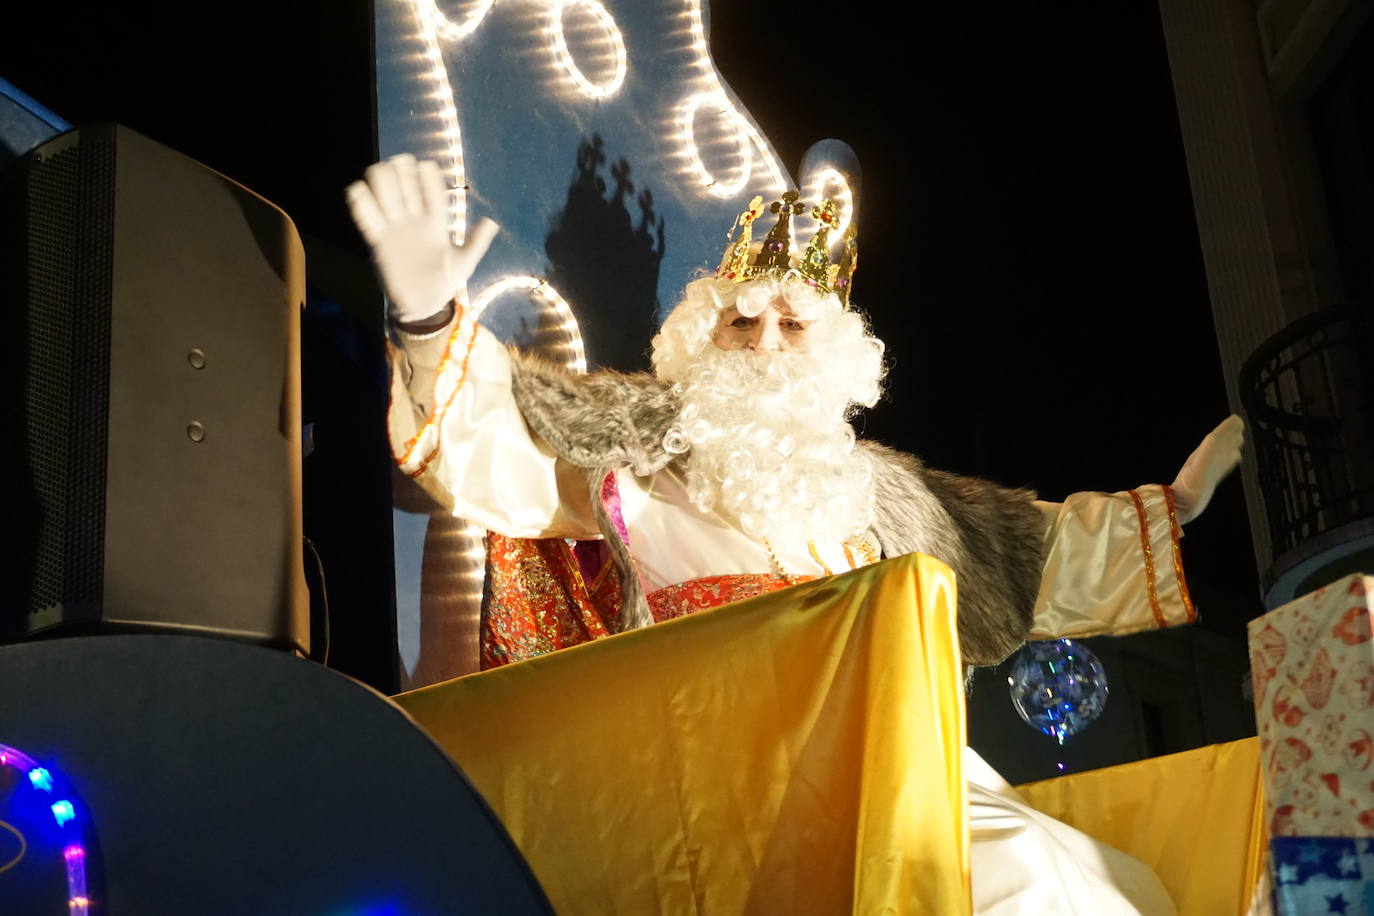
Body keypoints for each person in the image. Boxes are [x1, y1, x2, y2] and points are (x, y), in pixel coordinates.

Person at [348, 154, 1244, 913]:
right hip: (727, 756)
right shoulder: (636, 450)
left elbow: (1030, 554)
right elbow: (498, 445)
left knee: (1082, 879)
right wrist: (429, 321)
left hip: (886, 753)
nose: (766, 342)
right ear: (707, 335)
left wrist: (1171, 509)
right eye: (742, 319)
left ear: (830, 351)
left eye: (792, 322)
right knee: (1010, 880)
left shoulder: (877, 494)